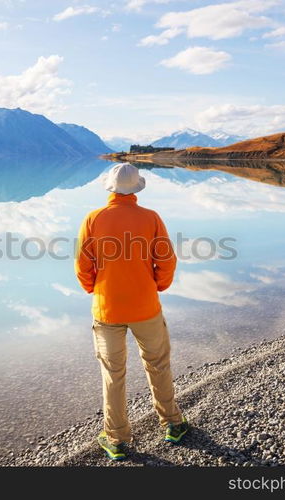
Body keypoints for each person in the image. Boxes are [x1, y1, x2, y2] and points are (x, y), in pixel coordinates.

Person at [74, 162, 188, 461]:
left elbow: (83, 265)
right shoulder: (150, 218)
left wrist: (95, 288)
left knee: (113, 374)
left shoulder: (93, 219)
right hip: (145, 307)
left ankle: (116, 438)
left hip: (107, 308)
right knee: (158, 364)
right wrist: (157, 285)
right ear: (136, 188)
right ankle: (173, 423)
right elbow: (166, 261)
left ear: (110, 188)